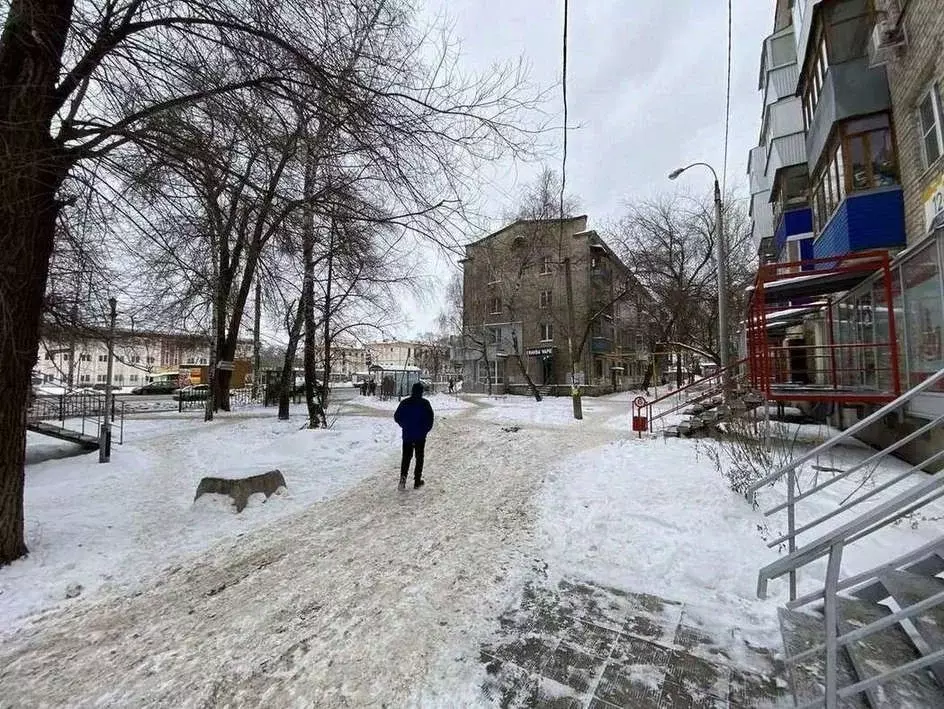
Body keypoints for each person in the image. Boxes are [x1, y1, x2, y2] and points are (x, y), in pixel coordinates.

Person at [393, 382, 434, 490]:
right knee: (419, 458)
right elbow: (430, 419)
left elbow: (397, 416)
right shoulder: (425, 403)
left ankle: (403, 479)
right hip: (420, 436)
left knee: (406, 457)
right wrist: (425, 430)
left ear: (412, 390)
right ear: (421, 392)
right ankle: (417, 481)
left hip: (407, 435)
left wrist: (404, 425)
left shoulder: (405, 402)